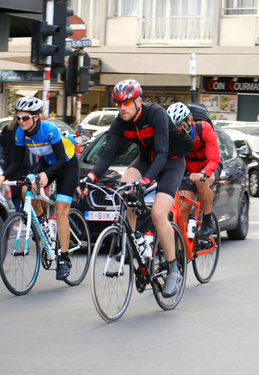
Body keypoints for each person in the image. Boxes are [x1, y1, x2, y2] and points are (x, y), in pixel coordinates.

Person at [78, 79, 193, 298]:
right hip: (147, 159)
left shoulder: (155, 114)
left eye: (127, 102)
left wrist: (147, 181)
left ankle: (173, 268)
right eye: (118, 103)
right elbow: (108, 154)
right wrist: (90, 178)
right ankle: (135, 242)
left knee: (159, 214)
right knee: (125, 188)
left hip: (171, 160)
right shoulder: (120, 122)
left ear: (138, 101)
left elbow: (162, 153)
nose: (122, 107)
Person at [0, 97, 78, 281]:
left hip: (66, 165)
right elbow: (16, 162)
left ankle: (64, 258)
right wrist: (3, 177)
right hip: (47, 163)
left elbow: (60, 159)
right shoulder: (20, 133)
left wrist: (45, 175)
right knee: (27, 188)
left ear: (36, 117)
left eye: (25, 118)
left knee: (60, 211)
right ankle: (42, 222)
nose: (21, 121)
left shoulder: (49, 130)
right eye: (18, 117)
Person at [166, 102, 221, 238]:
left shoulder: (204, 128)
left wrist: (203, 173)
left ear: (190, 120)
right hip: (188, 170)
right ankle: (180, 255)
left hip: (208, 166)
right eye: (174, 128)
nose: (178, 131)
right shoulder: (173, 137)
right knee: (182, 212)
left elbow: (214, 159)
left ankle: (207, 221)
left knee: (202, 182)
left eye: (181, 126)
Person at [0, 117, 32, 212]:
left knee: (15, 192)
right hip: (21, 166)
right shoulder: (22, 133)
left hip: (10, 165)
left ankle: (17, 217)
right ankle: (20, 216)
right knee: (23, 191)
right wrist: (29, 168)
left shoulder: (8, 132)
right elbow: (25, 155)